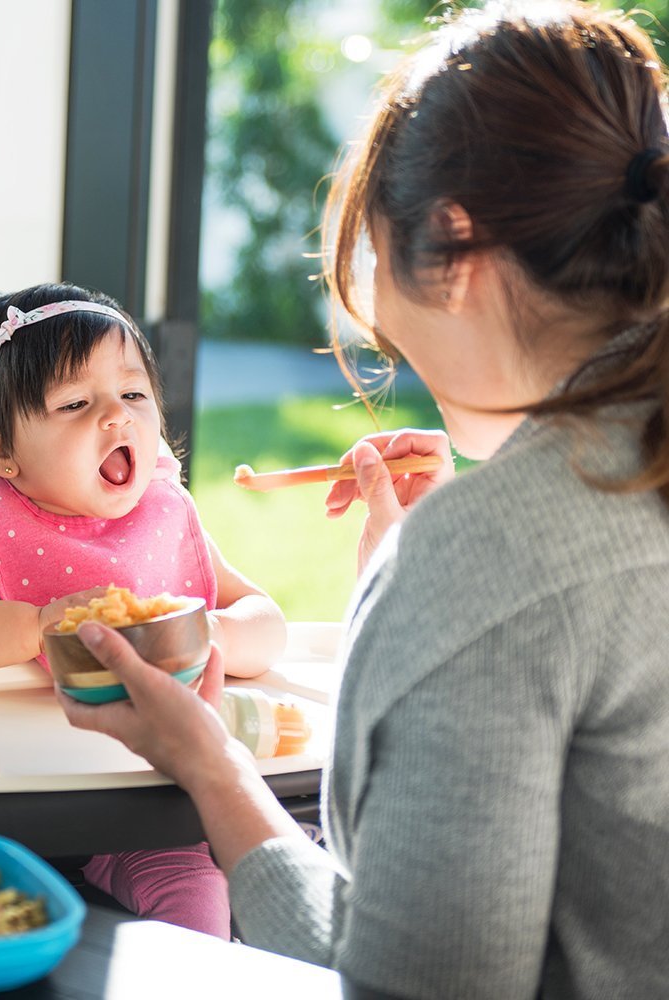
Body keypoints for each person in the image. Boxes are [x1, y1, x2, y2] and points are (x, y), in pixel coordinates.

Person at [55, 2, 669, 997]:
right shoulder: (527, 533)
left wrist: (210, 764)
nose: (373, 310)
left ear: (453, 247)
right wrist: (428, 582)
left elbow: (411, 985)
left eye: (375, 252)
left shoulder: (485, 559)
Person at [0, 281, 286, 939]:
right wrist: (38, 625)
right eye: (75, 403)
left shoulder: (166, 510)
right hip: (21, 794)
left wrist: (205, 631)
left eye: (134, 394)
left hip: (162, 793)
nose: (116, 418)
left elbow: (266, 621)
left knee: (215, 909)